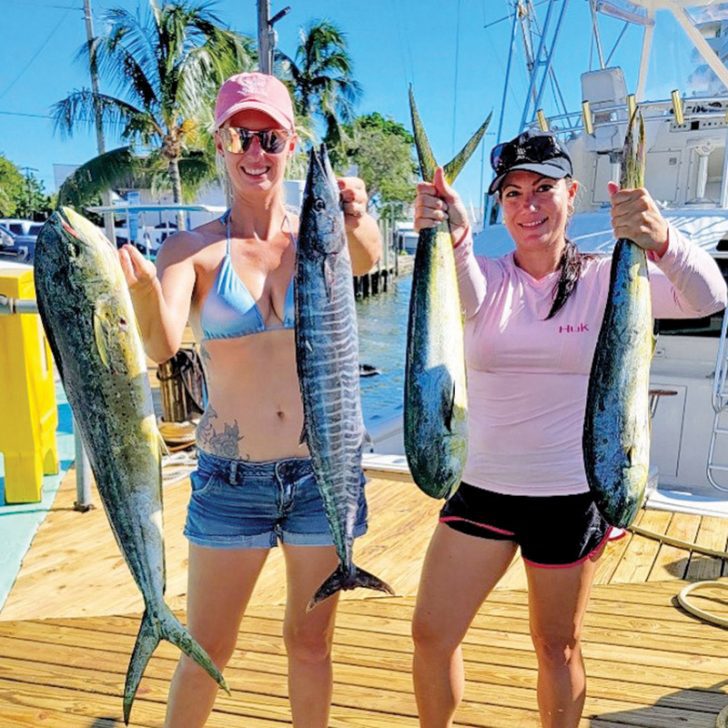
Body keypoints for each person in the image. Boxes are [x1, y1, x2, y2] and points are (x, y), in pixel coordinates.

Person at [410, 129, 727, 728]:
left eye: (544, 190)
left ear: (573, 194)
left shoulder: (609, 278)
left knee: (558, 648)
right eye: (513, 193)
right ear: (499, 204)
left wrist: (661, 240)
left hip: (572, 494)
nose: (529, 207)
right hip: (482, 488)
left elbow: (707, 297)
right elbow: (458, 273)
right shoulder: (485, 280)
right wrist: (448, 225)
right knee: (430, 635)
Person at [118, 71, 381, 728]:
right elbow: (162, 345)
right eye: (241, 136)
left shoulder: (317, 238)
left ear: (288, 144)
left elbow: (368, 258)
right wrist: (147, 293)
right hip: (231, 479)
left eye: (268, 137)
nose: (255, 153)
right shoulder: (191, 249)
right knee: (206, 648)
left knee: (311, 644)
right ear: (220, 142)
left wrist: (359, 213)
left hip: (322, 475)